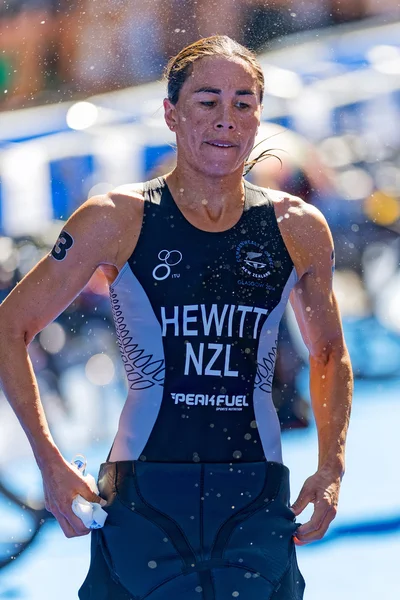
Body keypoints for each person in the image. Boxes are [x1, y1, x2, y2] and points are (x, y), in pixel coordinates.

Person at [0, 36, 353, 599]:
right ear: (171, 113)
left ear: (260, 116)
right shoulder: (116, 219)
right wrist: (50, 463)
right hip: (143, 496)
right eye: (207, 101)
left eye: (243, 102)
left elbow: (330, 353)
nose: (226, 119)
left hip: (255, 494)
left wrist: (330, 470)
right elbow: (9, 327)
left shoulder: (298, 227)